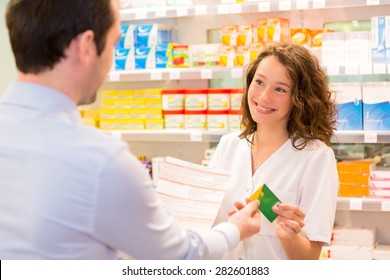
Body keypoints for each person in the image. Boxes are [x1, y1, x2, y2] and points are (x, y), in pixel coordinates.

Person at [0, 0, 261, 260]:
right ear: (86, 47)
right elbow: (177, 255)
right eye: (114, 44)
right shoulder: (100, 161)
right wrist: (234, 229)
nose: (113, 59)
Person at [209, 42, 339, 260]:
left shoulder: (316, 157)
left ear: (299, 99)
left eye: (280, 89)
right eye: (259, 82)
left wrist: (287, 235)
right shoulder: (228, 146)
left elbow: (309, 258)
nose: (264, 97)